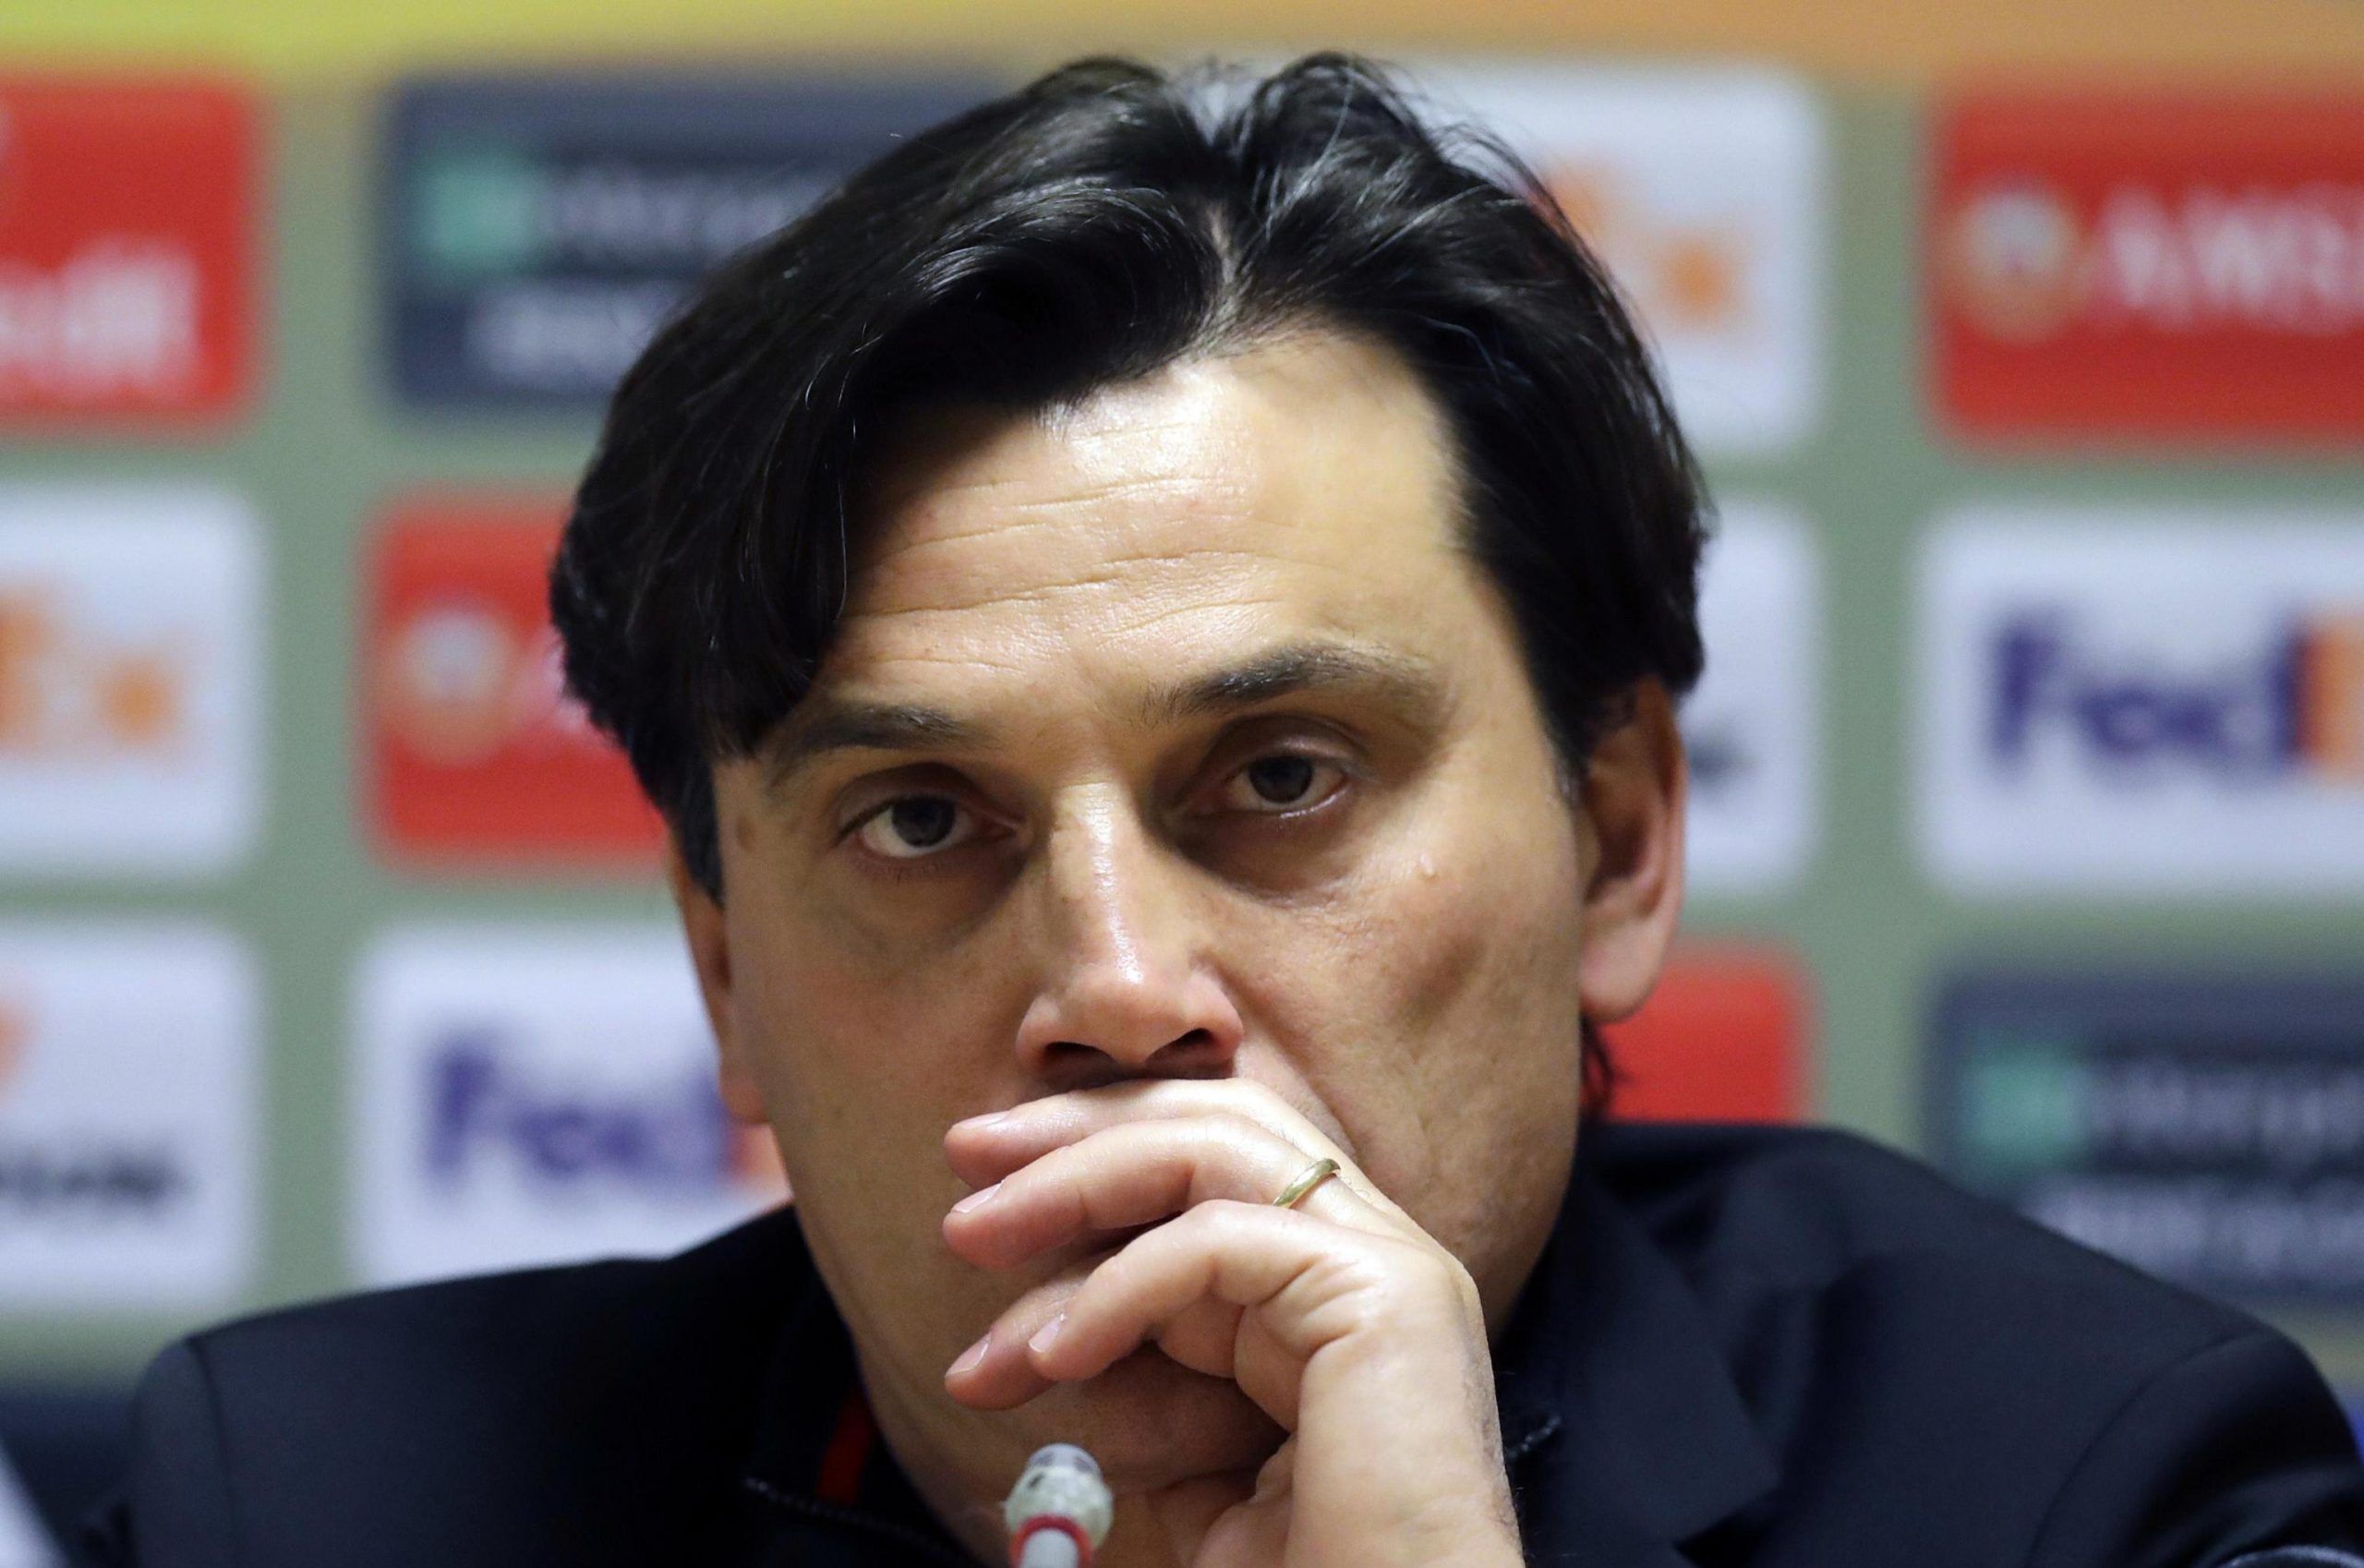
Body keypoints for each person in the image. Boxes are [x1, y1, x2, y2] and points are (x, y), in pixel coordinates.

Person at [88, 54, 2364, 1568]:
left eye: (1278, 780)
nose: (1111, 989)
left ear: (1615, 840)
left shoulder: (2076, 1491)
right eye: (918, 822)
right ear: (725, 980)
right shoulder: (307, 1514)